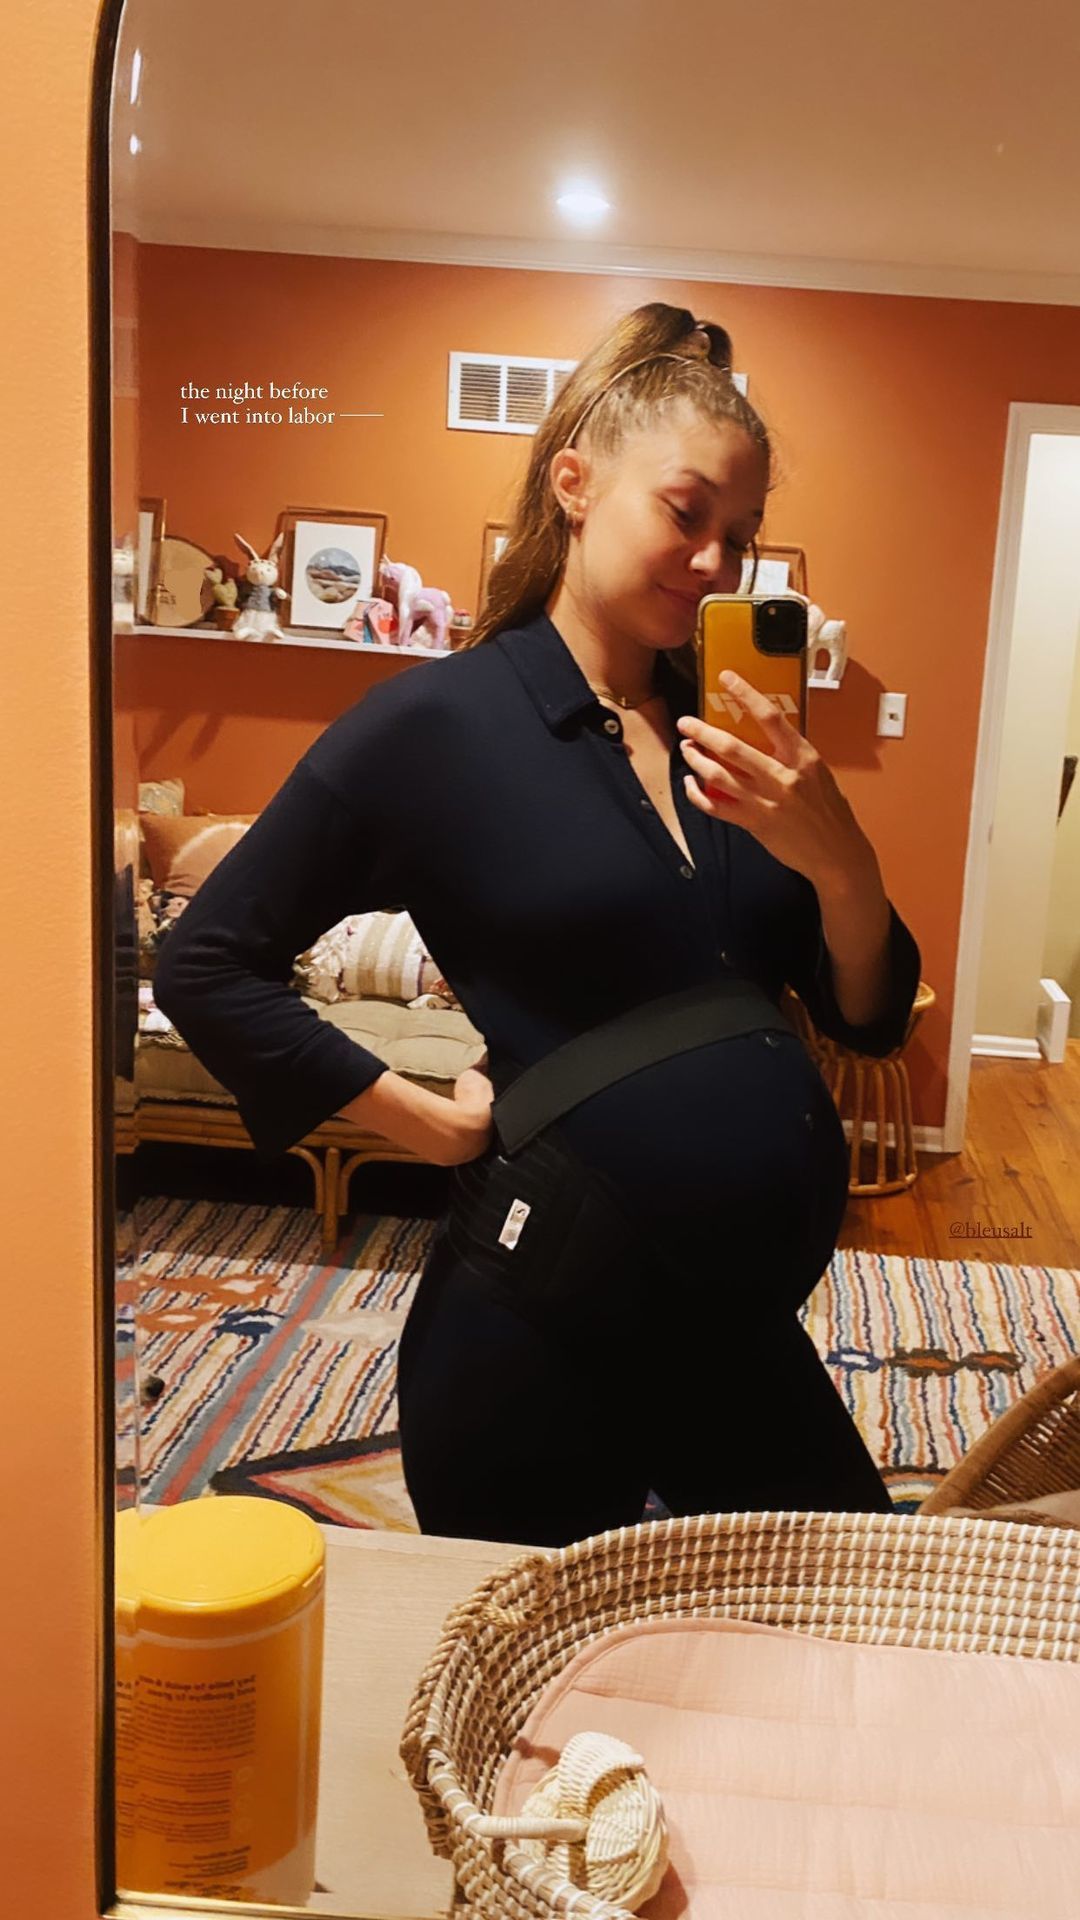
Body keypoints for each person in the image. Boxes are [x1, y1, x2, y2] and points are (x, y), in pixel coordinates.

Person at [154, 301, 921, 1548]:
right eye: (686, 514)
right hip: (541, 1329)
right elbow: (208, 961)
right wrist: (421, 1120)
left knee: (849, 1615)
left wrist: (843, 863)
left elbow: (867, 1017)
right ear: (575, 484)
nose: (716, 563)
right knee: (536, 1662)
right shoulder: (435, 727)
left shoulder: (732, 741)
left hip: (728, 1328)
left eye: (740, 537)